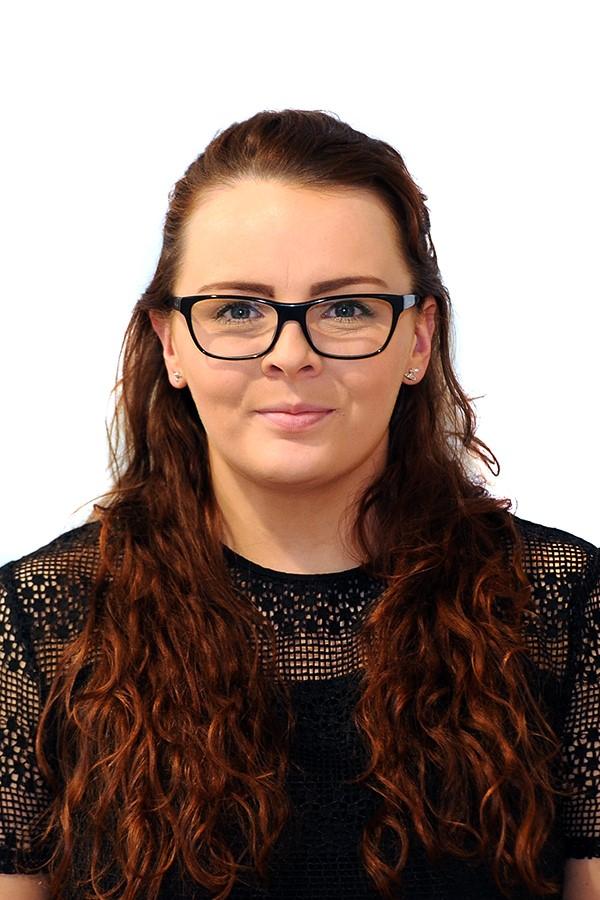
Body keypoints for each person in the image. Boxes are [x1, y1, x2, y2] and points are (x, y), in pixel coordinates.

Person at [0, 109, 598, 900]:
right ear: (171, 342)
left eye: (346, 308)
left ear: (419, 340)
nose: (291, 355)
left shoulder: (561, 604)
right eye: (237, 309)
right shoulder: (44, 623)